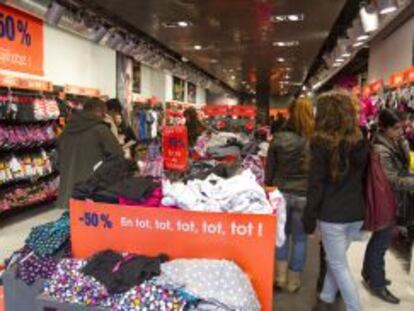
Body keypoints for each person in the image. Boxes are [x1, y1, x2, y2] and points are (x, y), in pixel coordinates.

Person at [303, 91, 368, 311]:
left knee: (338, 264)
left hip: (333, 216)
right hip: (356, 213)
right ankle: (326, 298)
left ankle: (354, 308)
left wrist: (308, 218)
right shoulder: (361, 140)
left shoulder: (320, 143)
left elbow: (316, 184)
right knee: (335, 260)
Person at [362, 109, 414, 304]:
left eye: (403, 127)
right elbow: (391, 179)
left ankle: (369, 274)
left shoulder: (390, 142)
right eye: (397, 128)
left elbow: (404, 164)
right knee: (381, 242)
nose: (401, 131)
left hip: (389, 198)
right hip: (384, 199)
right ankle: (377, 284)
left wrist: (401, 141)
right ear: (384, 128)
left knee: (379, 239)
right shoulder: (381, 149)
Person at [265, 97, 314, 292]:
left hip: (281, 193)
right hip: (304, 194)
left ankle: (280, 277)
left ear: (290, 113)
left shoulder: (279, 137)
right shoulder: (315, 140)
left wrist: (268, 187)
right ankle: (294, 281)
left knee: (282, 236)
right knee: (301, 239)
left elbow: (270, 169)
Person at [56, 98, 124, 209]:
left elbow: (58, 162)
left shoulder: (66, 131)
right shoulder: (100, 130)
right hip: (94, 192)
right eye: (104, 113)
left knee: (73, 223)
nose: (104, 116)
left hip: (69, 192)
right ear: (99, 111)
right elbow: (118, 157)